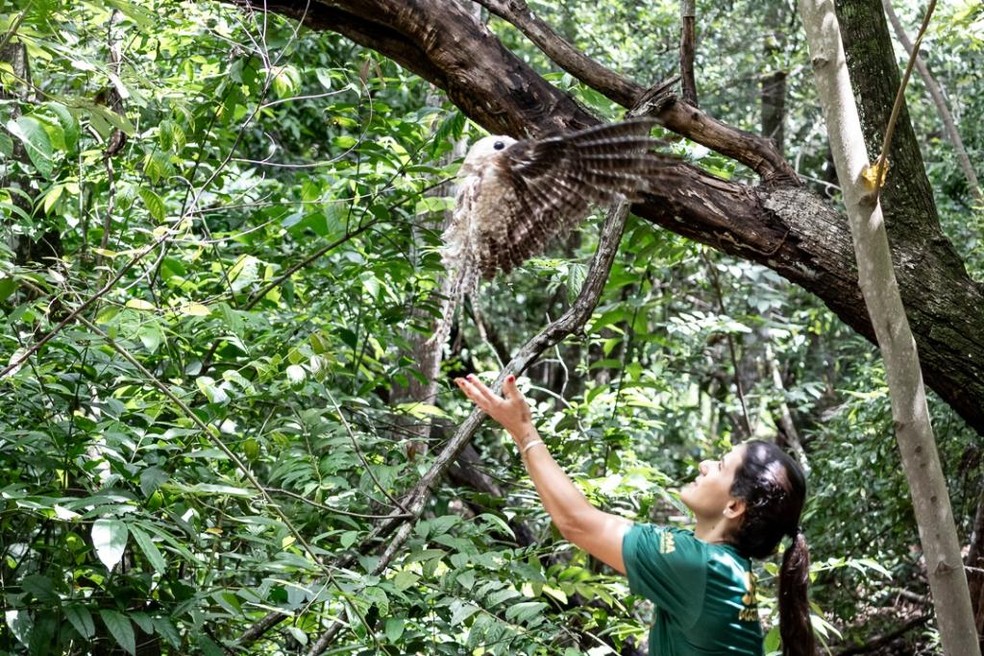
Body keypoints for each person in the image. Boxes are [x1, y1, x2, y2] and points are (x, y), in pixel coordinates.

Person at [455, 373, 816, 656]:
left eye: (720, 466)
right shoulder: (720, 566)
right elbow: (598, 522)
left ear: (734, 506)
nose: (705, 464)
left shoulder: (703, 568)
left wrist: (523, 431)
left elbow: (577, 522)